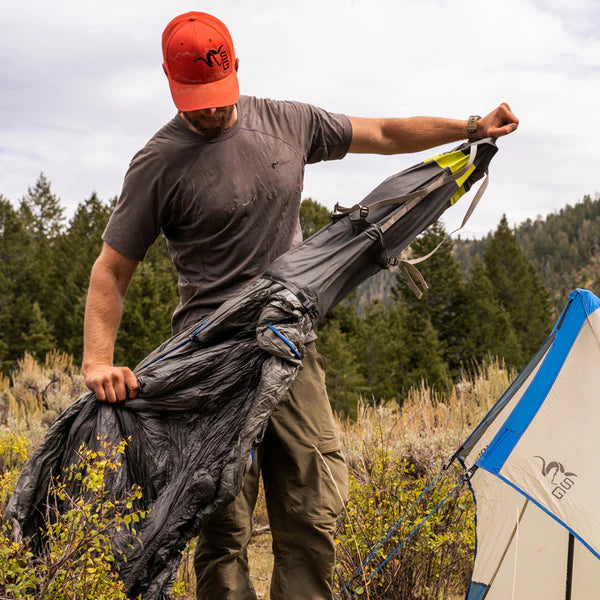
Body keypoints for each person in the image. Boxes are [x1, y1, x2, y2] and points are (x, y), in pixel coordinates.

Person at [82, 11, 518, 600]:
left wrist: (472, 126)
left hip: (290, 348)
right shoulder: (158, 163)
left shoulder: (287, 123)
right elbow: (111, 268)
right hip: (209, 361)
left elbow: (385, 133)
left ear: (235, 67)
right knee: (223, 525)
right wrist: (97, 361)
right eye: (194, 99)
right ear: (168, 80)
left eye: (217, 95)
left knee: (313, 510)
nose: (209, 110)